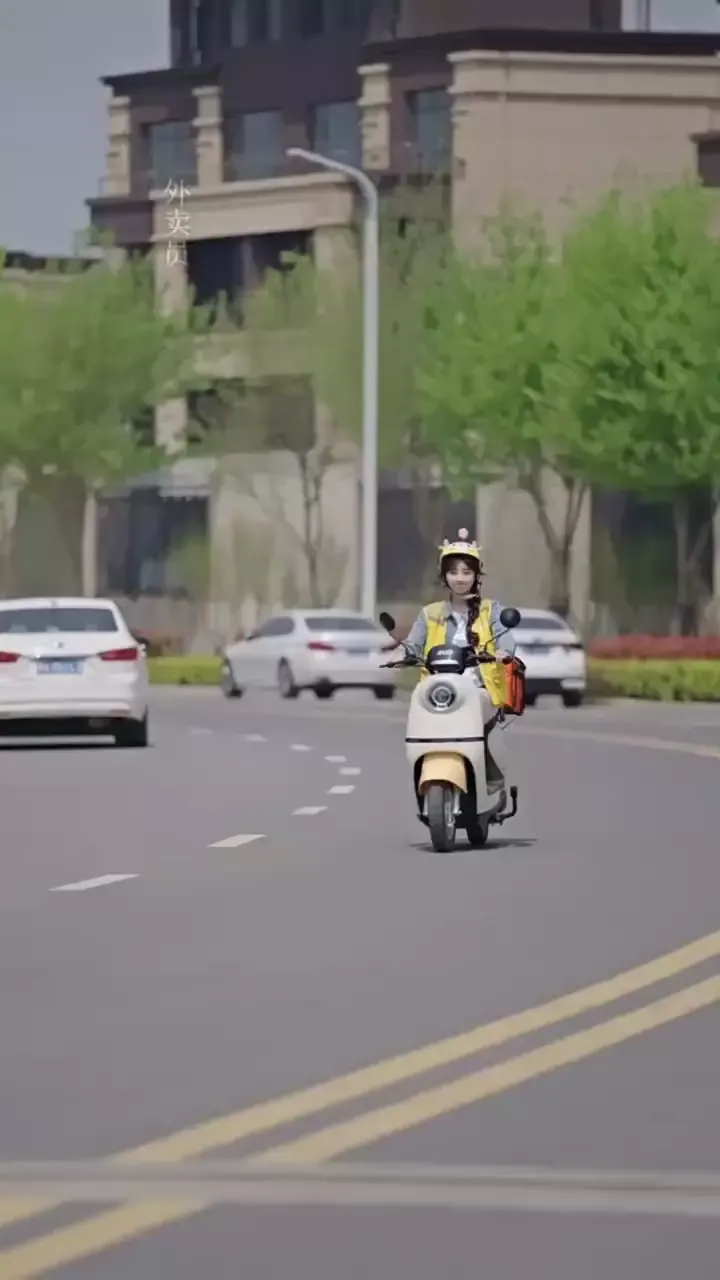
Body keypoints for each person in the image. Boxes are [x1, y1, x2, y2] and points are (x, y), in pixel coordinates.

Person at [401, 529, 516, 709]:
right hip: (438, 688)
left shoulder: (491, 610)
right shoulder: (429, 613)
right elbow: (412, 644)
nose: (460, 579)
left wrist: (504, 652)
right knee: (418, 706)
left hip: (480, 689)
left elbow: (504, 637)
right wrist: (404, 654)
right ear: (444, 576)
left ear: (476, 575)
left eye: (466, 572)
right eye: (453, 572)